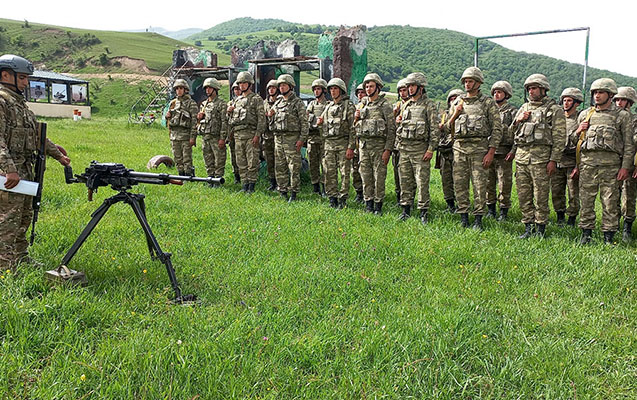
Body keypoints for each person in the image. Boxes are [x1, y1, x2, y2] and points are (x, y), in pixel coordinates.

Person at [0, 54, 71, 270]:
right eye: (22, 77)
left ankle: (20, 258)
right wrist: (9, 169)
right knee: (7, 220)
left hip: (25, 171)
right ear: (5, 75)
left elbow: (36, 134)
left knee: (23, 217)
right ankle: (4, 266)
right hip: (7, 174)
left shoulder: (19, 104)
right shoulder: (2, 102)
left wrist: (57, 154)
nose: (26, 82)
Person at [573, 78, 633, 244]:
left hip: (611, 166)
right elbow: (573, 142)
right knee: (586, 200)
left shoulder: (622, 116)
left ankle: (608, 237)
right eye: (595, 93)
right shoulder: (585, 114)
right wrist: (578, 130)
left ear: (610, 94)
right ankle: (586, 234)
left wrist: (625, 167)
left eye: (601, 92)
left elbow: (628, 145)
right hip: (587, 165)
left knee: (609, 202)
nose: (597, 96)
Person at [510, 74, 565, 238]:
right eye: (529, 88)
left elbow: (560, 138)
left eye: (534, 88)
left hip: (541, 160)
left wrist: (553, 160)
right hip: (522, 159)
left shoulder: (554, 110)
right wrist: (518, 120)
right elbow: (511, 132)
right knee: (523, 194)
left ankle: (540, 228)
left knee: (540, 195)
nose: (531, 91)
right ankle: (528, 227)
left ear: (543, 89)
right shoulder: (524, 107)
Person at [446, 67, 502, 230]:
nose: (467, 84)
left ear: (478, 83)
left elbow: (497, 129)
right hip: (459, 149)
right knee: (460, 184)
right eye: (465, 81)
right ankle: (463, 216)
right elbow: (447, 127)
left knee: (479, 185)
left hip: (479, 150)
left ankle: (478, 219)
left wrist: (491, 151)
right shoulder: (458, 102)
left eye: (470, 81)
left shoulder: (487, 103)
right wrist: (455, 114)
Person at [395, 72, 439, 223]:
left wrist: (431, 149)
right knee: (405, 181)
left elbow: (434, 129)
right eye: (408, 86)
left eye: (413, 86)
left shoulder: (428, 105)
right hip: (405, 149)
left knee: (422, 182)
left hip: (420, 149)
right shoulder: (406, 105)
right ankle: (405, 209)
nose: (410, 89)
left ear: (420, 87)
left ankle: (423, 212)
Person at [354, 73, 396, 215]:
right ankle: (368, 204)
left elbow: (391, 129)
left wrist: (387, 150)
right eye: (366, 86)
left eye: (371, 86)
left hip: (379, 147)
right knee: (366, 177)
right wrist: (356, 118)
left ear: (378, 87)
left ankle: (378, 206)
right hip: (364, 147)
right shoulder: (362, 105)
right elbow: (355, 127)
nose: (368, 89)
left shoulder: (385, 105)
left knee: (379, 178)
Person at [267, 74, 308, 201]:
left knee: (294, 168)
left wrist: (301, 140)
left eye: (284, 85)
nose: (281, 88)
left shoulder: (297, 103)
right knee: (280, 166)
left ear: (290, 86)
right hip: (278, 139)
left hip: (292, 139)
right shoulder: (278, 102)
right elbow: (272, 121)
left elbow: (304, 123)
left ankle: (294, 193)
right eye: (280, 86)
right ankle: (282, 191)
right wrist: (270, 116)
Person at [317, 78, 356, 208]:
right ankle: (332, 198)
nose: (333, 91)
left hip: (343, 143)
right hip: (329, 144)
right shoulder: (328, 107)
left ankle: (343, 199)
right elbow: (322, 126)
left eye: (335, 89)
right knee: (329, 172)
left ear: (341, 90)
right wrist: (319, 123)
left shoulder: (348, 106)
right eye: (331, 89)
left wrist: (351, 147)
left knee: (345, 173)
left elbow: (353, 129)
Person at [227, 71, 265, 193]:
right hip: (238, 135)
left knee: (252, 161)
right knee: (240, 161)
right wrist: (229, 112)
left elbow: (261, 119)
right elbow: (231, 121)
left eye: (244, 83)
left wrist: (257, 135)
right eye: (240, 83)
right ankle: (244, 185)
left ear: (250, 84)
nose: (242, 85)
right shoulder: (237, 101)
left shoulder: (256, 99)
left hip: (250, 134)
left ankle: (251, 186)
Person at [551, 88, 584, 226]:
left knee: (573, 193)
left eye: (569, 100)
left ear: (577, 103)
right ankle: (560, 217)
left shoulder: (580, 119)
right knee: (556, 191)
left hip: (572, 161)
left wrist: (578, 166)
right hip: (557, 160)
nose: (565, 103)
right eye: (564, 100)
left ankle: (571, 219)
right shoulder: (556, 118)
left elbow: (582, 144)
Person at [487, 81, 517, 221]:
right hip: (488, 152)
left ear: (506, 94)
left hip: (504, 152)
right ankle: (490, 209)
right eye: (494, 92)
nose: (496, 95)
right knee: (488, 182)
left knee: (504, 183)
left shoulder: (512, 111)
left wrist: (513, 150)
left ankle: (503, 211)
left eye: (499, 92)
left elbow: (518, 133)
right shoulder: (489, 110)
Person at [614, 86, 637, 241]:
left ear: (630, 102)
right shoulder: (612, 118)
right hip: (613, 162)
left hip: (631, 164)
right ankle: (612, 225)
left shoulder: (635, 120)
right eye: (617, 100)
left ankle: (627, 227)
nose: (619, 103)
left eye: (623, 100)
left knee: (629, 195)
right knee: (612, 195)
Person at [196, 77, 227, 186]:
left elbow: (224, 122)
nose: (207, 90)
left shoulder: (221, 104)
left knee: (219, 160)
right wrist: (199, 117)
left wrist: (222, 138)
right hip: (206, 136)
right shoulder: (204, 104)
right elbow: (201, 121)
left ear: (215, 89)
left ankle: (218, 180)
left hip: (216, 137)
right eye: (206, 88)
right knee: (208, 159)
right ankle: (210, 179)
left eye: (210, 88)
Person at [438, 88, 463, 213]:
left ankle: (461, 205)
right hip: (445, 151)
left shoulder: (463, 115)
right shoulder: (444, 115)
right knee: (446, 179)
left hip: (458, 151)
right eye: (451, 99)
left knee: (459, 180)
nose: (453, 101)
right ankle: (450, 205)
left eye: (456, 99)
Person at [165, 79, 198, 176]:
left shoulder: (191, 103)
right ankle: (181, 175)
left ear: (185, 90)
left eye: (181, 88)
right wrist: (167, 117)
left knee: (187, 158)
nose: (178, 91)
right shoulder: (173, 103)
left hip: (185, 136)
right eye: (177, 89)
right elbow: (169, 120)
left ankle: (189, 175)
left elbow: (194, 122)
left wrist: (192, 137)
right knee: (177, 158)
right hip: (174, 135)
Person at [306, 78, 328, 196]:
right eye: (314, 89)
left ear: (324, 90)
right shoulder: (311, 105)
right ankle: (315, 188)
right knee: (313, 165)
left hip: (323, 140)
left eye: (318, 89)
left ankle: (324, 188)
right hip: (312, 139)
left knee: (325, 165)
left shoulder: (328, 105)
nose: (316, 91)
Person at [392, 79, 410, 204]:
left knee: (408, 174)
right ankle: (399, 196)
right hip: (396, 145)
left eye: (405, 90)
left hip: (408, 145)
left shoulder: (413, 105)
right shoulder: (396, 106)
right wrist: (394, 115)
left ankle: (409, 197)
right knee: (396, 172)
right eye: (400, 91)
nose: (403, 93)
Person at [262, 79, 278, 191]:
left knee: (279, 161)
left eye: (273, 88)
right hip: (267, 136)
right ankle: (272, 182)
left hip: (277, 136)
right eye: (269, 88)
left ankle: (281, 182)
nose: (271, 90)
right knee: (269, 160)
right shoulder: (265, 103)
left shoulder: (281, 102)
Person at [351, 83, 364, 202]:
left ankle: (369, 193)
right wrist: (355, 118)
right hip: (355, 143)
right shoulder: (354, 107)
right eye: (358, 93)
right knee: (355, 169)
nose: (360, 95)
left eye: (362, 92)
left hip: (367, 144)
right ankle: (359, 192)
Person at [227, 82, 241, 184]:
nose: (237, 91)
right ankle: (236, 176)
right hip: (232, 134)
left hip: (243, 133)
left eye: (238, 89)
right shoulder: (230, 103)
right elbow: (226, 120)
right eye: (235, 89)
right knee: (233, 156)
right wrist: (228, 112)